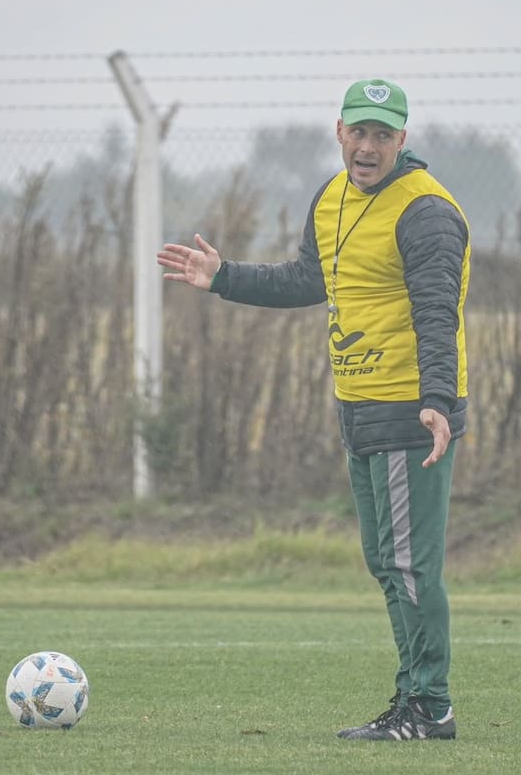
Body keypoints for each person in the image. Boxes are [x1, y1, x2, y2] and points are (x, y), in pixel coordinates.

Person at [156, 78, 470, 741]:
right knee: (385, 563)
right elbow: (308, 279)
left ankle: (430, 706)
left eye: (383, 135)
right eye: (359, 131)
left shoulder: (426, 212)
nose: (368, 146)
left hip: (413, 414)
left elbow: (438, 315)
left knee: (412, 566)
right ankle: (413, 697)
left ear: (402, 142)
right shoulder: (330, 199)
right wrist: (224, 277)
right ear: (339, 132)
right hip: (358, 412)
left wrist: (439, 402)